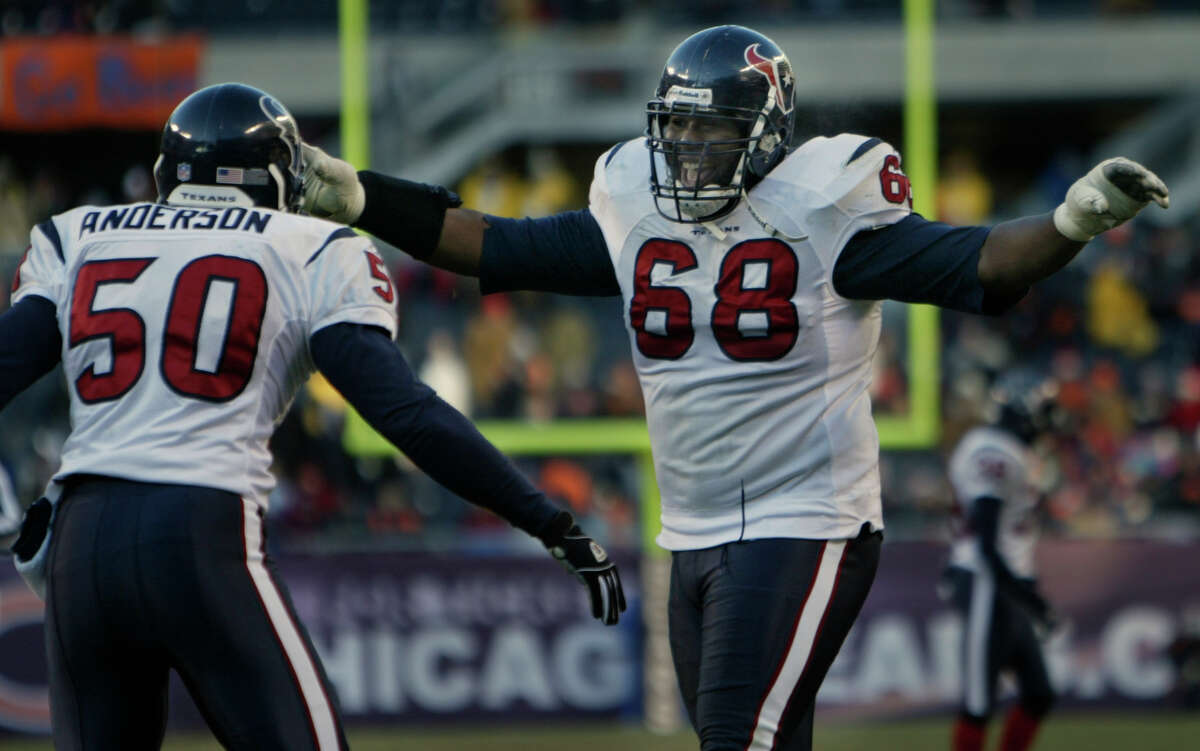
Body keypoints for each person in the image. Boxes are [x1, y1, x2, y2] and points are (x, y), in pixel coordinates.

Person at [301, 24, 1169, 750]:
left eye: (707, 131)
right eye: (674, 130)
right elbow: (493, 244)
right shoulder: (633, 205)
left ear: (766, 136)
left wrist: (1076, 217)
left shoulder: (823, 207)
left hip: (806, 516)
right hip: (694, 529)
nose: (683, 151)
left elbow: (977, 260)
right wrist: (362, 196)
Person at [1, 82, 624, 751]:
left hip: (80, 544)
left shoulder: (79, 235)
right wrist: (545, 517)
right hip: (198, 530)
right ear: (279, 177)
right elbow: (407, 414)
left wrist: (12, 515)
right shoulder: (311, 247)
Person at [942, 373, 1060, 751]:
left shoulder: (1010, 451)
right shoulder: (993, 451)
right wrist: (1029, 598)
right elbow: (986, 542)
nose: (1047, 423)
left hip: (1002, 580)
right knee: (979, 702)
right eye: (1042, 413)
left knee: (1039, 693)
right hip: (985, 579)